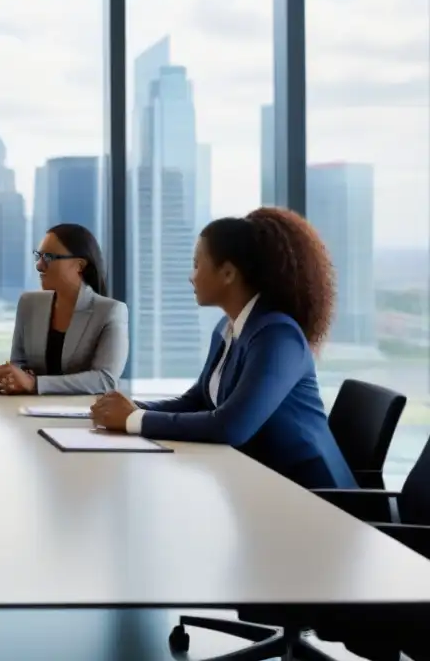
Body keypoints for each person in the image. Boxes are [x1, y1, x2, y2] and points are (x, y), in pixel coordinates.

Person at [90, 207, 357, 490]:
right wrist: (128, 408)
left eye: (197, 264)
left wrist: (134, 419)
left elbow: (232, 426)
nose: (191, 276)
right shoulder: (228, 328)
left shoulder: (278, 337)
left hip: (315, 496)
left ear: (228, 273)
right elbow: (198, 400)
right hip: (263, 483)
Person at [0, 223, 128, 395]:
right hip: (27, 410)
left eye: (48, 257)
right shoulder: (28, 303)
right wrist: (8, 376)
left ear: (79, 265)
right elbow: (19, 364)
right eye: (38, 256)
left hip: (84, 415)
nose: (39, 265)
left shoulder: (110, 311)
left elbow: (105, 379)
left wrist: (35, 384)